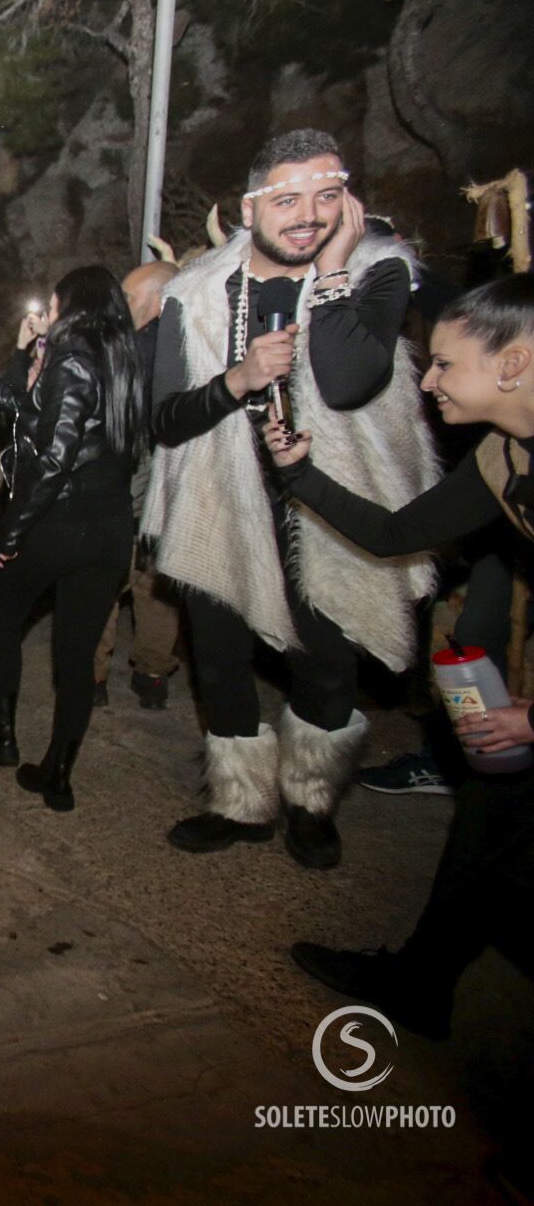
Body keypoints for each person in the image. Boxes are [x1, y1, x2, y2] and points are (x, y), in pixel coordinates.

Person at [259, 276, 532, 1110]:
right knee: (487, 822)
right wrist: (300, 473)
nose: (428, 380)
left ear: (515, 362)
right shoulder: (505, 452)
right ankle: (421, 983)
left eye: (446, 364)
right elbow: (395, 532)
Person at [142, 128, 435, 869]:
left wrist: (334, 268)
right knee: (218, 660)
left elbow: (346, 381)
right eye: (288, 198)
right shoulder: (195, 291)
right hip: (221, 496)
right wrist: (235, 381)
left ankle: (311, 799)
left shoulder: (380, 273)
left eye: (327, 195)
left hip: (331, 507)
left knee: (328, 663)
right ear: (250, 206)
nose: (308, 213)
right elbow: (166, 416)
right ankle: (241, 804)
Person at [0, 267, 148, 809]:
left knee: (4, 617)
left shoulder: (72, 355)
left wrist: (12, 532)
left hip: (58, 523)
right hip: (109, 528)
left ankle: (2, 733)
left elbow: (54, 454)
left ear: (74, 306)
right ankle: (58, 771)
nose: (53, 315)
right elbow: (33, 414)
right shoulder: (125, 357)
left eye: (57, 306)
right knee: (77, 654)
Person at [91, 260, 184, 709]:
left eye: (129, 296)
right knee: (156, 585)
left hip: (133, 486)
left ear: (157, 300)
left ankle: (92, 678)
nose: (122, 304)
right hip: (167, 493)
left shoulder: (136, 350)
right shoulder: (191, 343)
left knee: (104, 579)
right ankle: (152, 674)